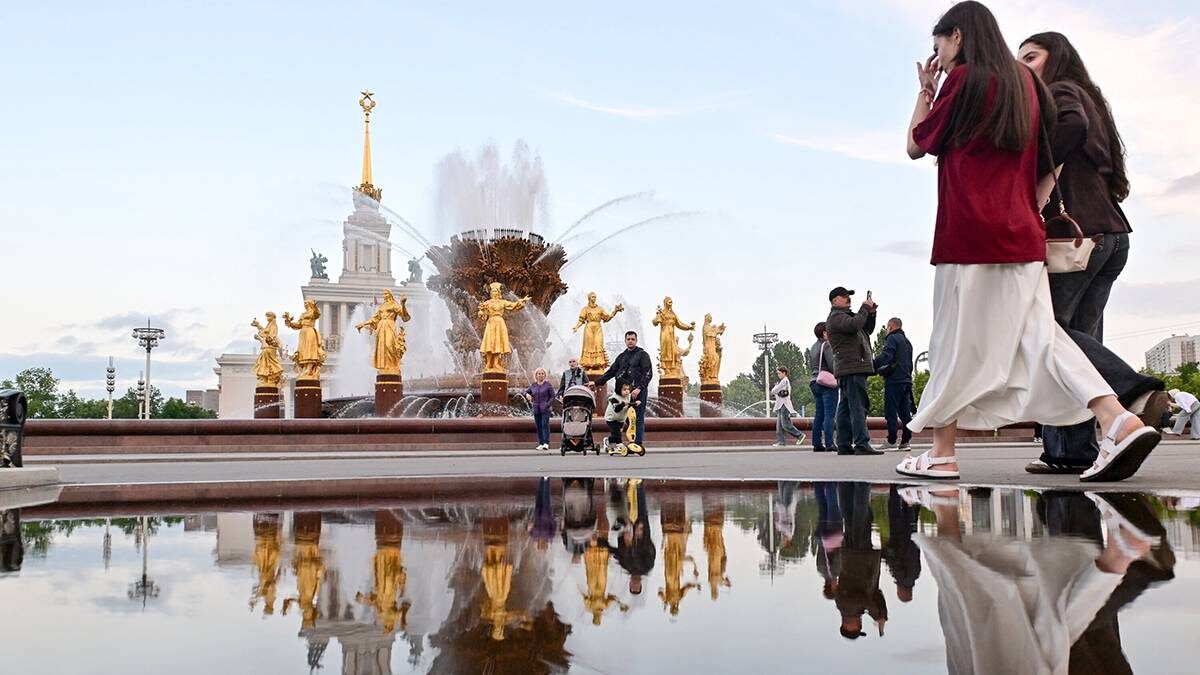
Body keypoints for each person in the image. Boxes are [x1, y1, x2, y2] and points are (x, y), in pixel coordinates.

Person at [899, 1, 1158, 482]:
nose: (940, 57)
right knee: (1042, 337)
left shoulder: (965, 79)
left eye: (939, 46)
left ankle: (941, 454)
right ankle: (1117, 420)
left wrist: (926, 91)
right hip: (1021, 234)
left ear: (958, 36)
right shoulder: (1029, 85)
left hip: (969, 235)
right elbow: (1050, 157)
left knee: (951, 341)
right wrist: (1027, 206)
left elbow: (917, 144)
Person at [1017, 31, 1169, 474]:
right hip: (1109, 234)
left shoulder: (1062, 91)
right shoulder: (1093, 101)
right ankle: (1070, 450)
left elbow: (1072, 127)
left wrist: (1025, 170)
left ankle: (1135, 392)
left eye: (1031, 57)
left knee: (1047, 334)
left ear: (1057, 59)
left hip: (1074, 236)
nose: (1022, 67)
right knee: (1080, 340)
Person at [826, 286, 882, 455]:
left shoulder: (844, 317)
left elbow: (865, 329)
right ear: (835, 300)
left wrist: (871, 313)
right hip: (852, 367)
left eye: (849, 296)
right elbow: (855, 325)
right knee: (858, 406)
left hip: (849, 367)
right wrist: (864, 307)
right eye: (844, 296)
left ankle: (843, 444)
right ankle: (861, 443)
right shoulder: (837, 317)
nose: (848, 298)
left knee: (845, 408)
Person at [591, 331, 653, 445]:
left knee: (638, 418)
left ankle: (637, 444)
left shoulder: (643, 355)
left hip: (638, 391)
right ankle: (627, 441)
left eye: (632, 339)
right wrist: (596, 383)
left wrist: (639, 388)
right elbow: (611, 372)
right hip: (624, 392)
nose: (630, 341)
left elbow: (648, 373)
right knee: (626, 418)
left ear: (636, 341)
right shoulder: (621, 357)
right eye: (628, 339)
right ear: (625, 341)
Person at [873, 318, 915, 451]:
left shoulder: (892, 338)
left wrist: (872, 364)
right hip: (906, 380)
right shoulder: (907, 342)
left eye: (887, 327)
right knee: (905, 413)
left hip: (894, 380)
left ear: (890, 327)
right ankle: (905, 441)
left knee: (891, 411)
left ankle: (892, 441)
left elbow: (887, 356)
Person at [809, 322, 838, 452]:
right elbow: (832, 366)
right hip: (827, 383)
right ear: (825, 333)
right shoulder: (827, 345)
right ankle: (829, 443)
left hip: (814, 382)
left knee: (819, 414)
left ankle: (817, 443)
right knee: (829, 414)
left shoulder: (813, 347)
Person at [771, 366, 807, 447]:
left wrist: (775, 388)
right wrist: (776, 389)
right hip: (780, 405)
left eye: (779, 373)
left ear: (784, 373)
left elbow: (774, 391)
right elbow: (775, 391)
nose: (778, 375)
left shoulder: (784, 381)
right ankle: (781, 442)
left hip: (784, 405)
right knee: (779, 426)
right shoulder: (781, 381)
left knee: (785, 424)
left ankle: (800, 435)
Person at [524, 367, 555, 451]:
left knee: (544, 425)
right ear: (536, 375)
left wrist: (547, 405)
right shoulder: (533, 385)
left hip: (545, 409)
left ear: (545, 375)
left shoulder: (548, 385)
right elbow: (526, 392)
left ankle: (546, 443)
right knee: (538, 426)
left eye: (542, 374)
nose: (541, 375)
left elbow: (552, 396)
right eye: (539, 374)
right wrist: (527, 394)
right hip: (536, 408)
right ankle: (541, 443)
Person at [604, 381, 639, 453]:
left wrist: (635, 404)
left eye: (628, 389)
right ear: (619, 389)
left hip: (621, 419)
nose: (627, 391)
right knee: (617, 433)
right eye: (624, 389)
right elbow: (616, 409)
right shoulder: (614, 398)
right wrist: (623, 404)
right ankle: (619, 445)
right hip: (611, 418)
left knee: (616, 434)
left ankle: (608, 440)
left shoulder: (628, 397)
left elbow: (629, 406)